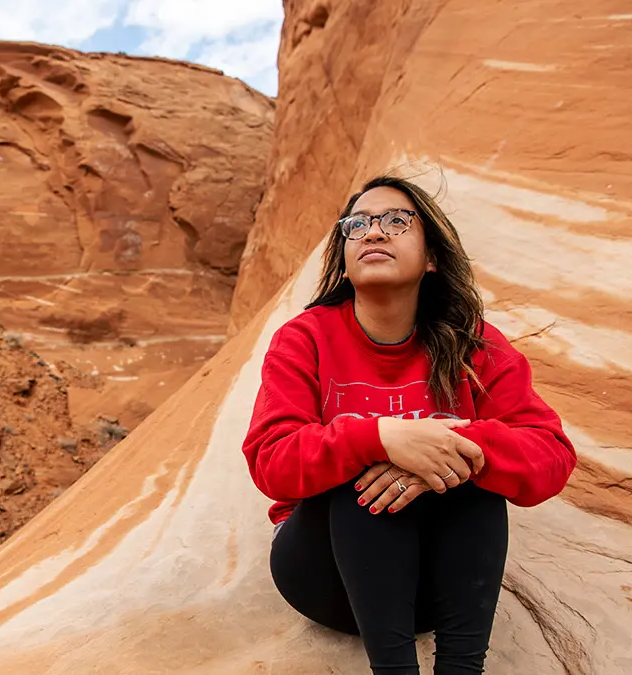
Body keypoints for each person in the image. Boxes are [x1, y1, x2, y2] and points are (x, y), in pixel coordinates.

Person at [241, 173, 577, 674]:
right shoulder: (305, 338)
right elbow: (272, 461)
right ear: (345, 256)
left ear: (433, 257)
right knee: (361, 465)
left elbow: (551, 456)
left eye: (396, 221)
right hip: (325, 577)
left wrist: (444, 449)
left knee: (473, 461)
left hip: (432, 592)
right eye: (357, 225)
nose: (373, 233)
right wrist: (381, 436)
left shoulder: (475, 346)